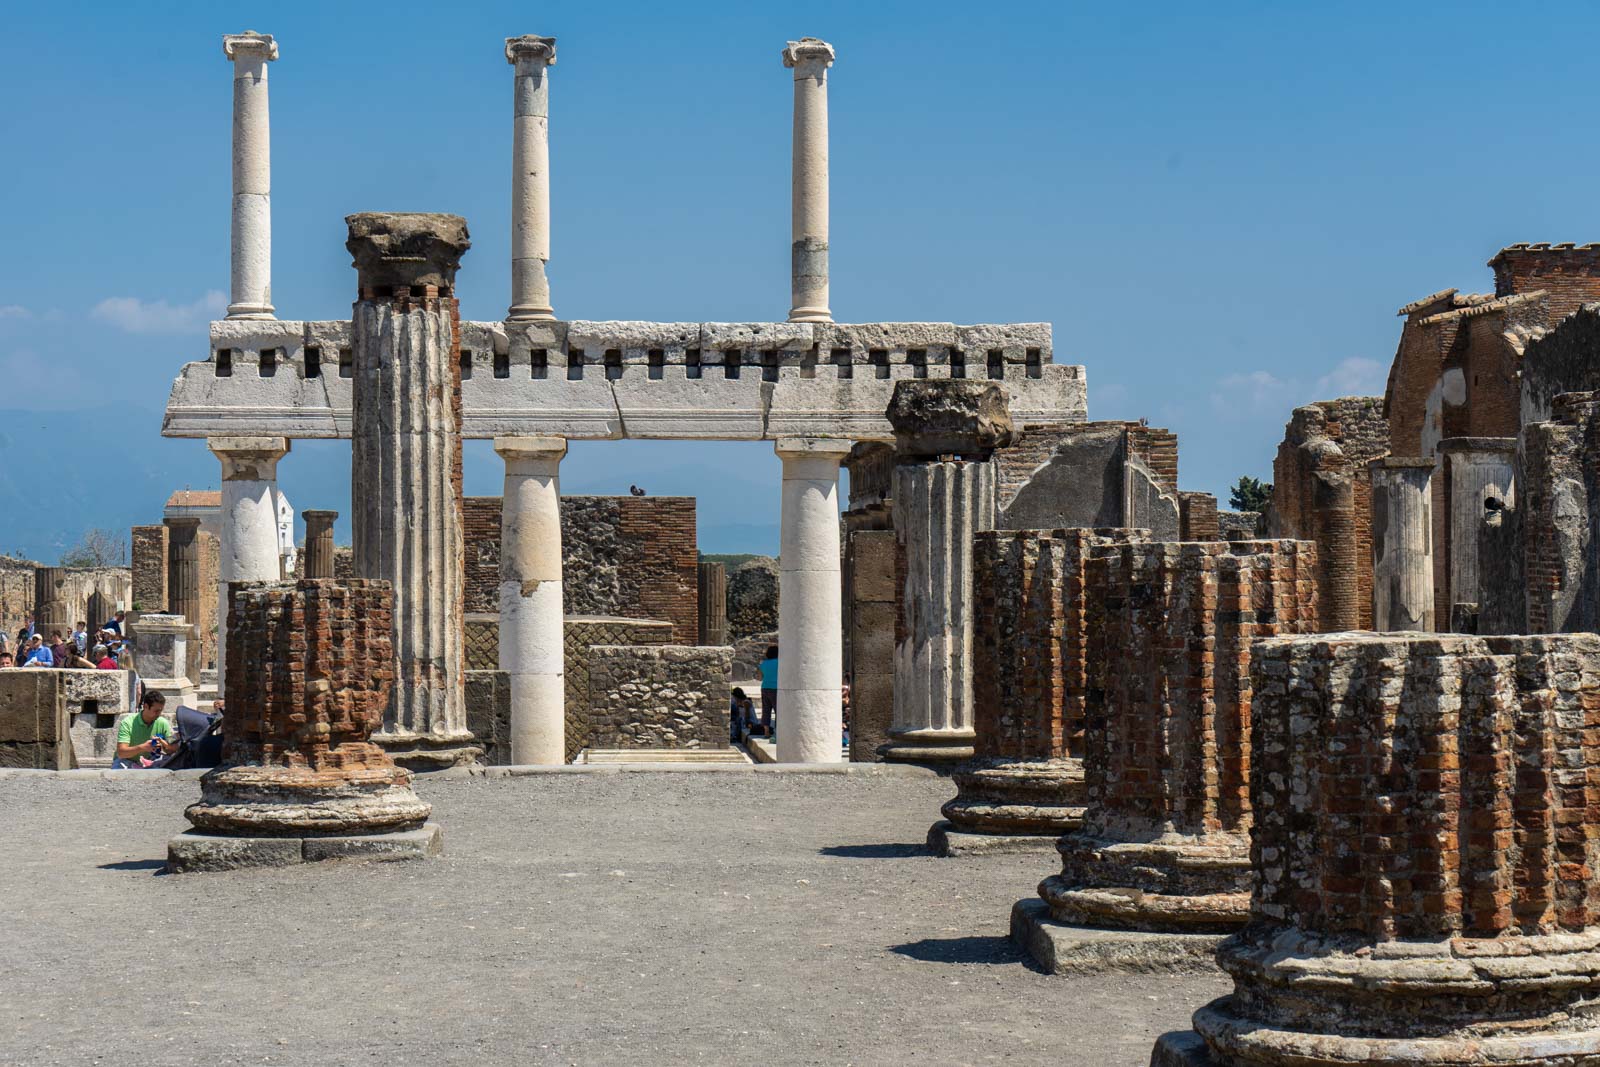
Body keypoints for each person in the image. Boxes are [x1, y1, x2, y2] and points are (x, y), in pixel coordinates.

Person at [112, 691, 173, 769]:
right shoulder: (128, 722)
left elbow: (170, 751)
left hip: (151, 761)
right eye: (156, 711)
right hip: (127, 761)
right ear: (146, 706)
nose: (159, 714)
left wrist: (164, 744)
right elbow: (121, 753)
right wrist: (142, 747)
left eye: (160, 711)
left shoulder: (162, 723)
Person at [758, 644, 779, 739]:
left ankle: (766, 732)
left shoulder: (763, 664)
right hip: (776, 688)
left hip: (765, 687)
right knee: (778, 711)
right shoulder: (780, 662)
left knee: (766, 710)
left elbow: (759, 677)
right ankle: (777, 732)